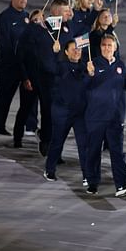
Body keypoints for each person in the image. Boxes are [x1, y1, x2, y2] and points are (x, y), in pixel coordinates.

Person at [14, 0, 73, 153]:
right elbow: (24, 54)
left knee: (55, 112)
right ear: (55, 12)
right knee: (42, 109)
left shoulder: (67, 29)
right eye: (66, 10)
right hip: (41, 77)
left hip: (60, 78)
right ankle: (37, 140)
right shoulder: (39, 30)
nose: (70, 13)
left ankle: (52, 143)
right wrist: (25, 76)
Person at [84, 34, 126, 197]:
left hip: (115, 117)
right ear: (100, 47)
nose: (107, 48)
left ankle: (121, 185)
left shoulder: (120, 65)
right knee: (93, 151)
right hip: (96, 117)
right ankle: (92, 183)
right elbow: (85, 86)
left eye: (110, 45)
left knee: (117, 152)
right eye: (104, 45)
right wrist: (90, 75)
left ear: (115, 48)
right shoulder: (93, 64)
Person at [43, 39, 88, 184]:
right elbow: (49, 67)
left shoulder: (86, 67)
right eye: (73, 49)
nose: (76, 51)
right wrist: (54, 53)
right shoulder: (60, 66)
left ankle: (87, 175)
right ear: (67, 52)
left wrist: (91, 72)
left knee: (83, 145)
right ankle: (50, 170)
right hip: (62, 111)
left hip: (79, 113)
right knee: (57, 142)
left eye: (79, 49)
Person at [0, 0, 30, 136]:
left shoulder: (27, 16)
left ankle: (25, 129)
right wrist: (16, 58)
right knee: (4, 95)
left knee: (27, 98)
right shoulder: (5, 17)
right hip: (8, 63)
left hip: (24, 64)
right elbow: (6, 42)